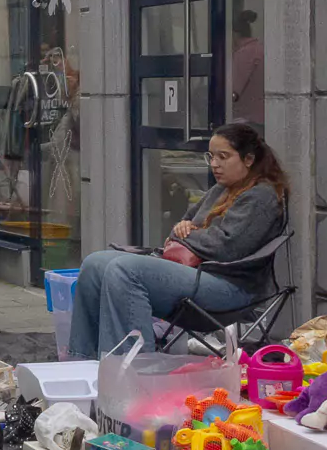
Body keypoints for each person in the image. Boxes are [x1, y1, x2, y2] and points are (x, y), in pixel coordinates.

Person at [69, 123, 288, 357]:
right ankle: (82, 363)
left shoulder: (261, 196)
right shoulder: (221, 189)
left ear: (248, 159)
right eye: (211, 156)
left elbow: (226, 247)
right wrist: (185, 231)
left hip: (230, 287)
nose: (214, 164)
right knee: (95, 263)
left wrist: (189, 234)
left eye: (223, 157)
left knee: (125, 270)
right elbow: (181, 226)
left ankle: (133, 372)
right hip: (198, 274)